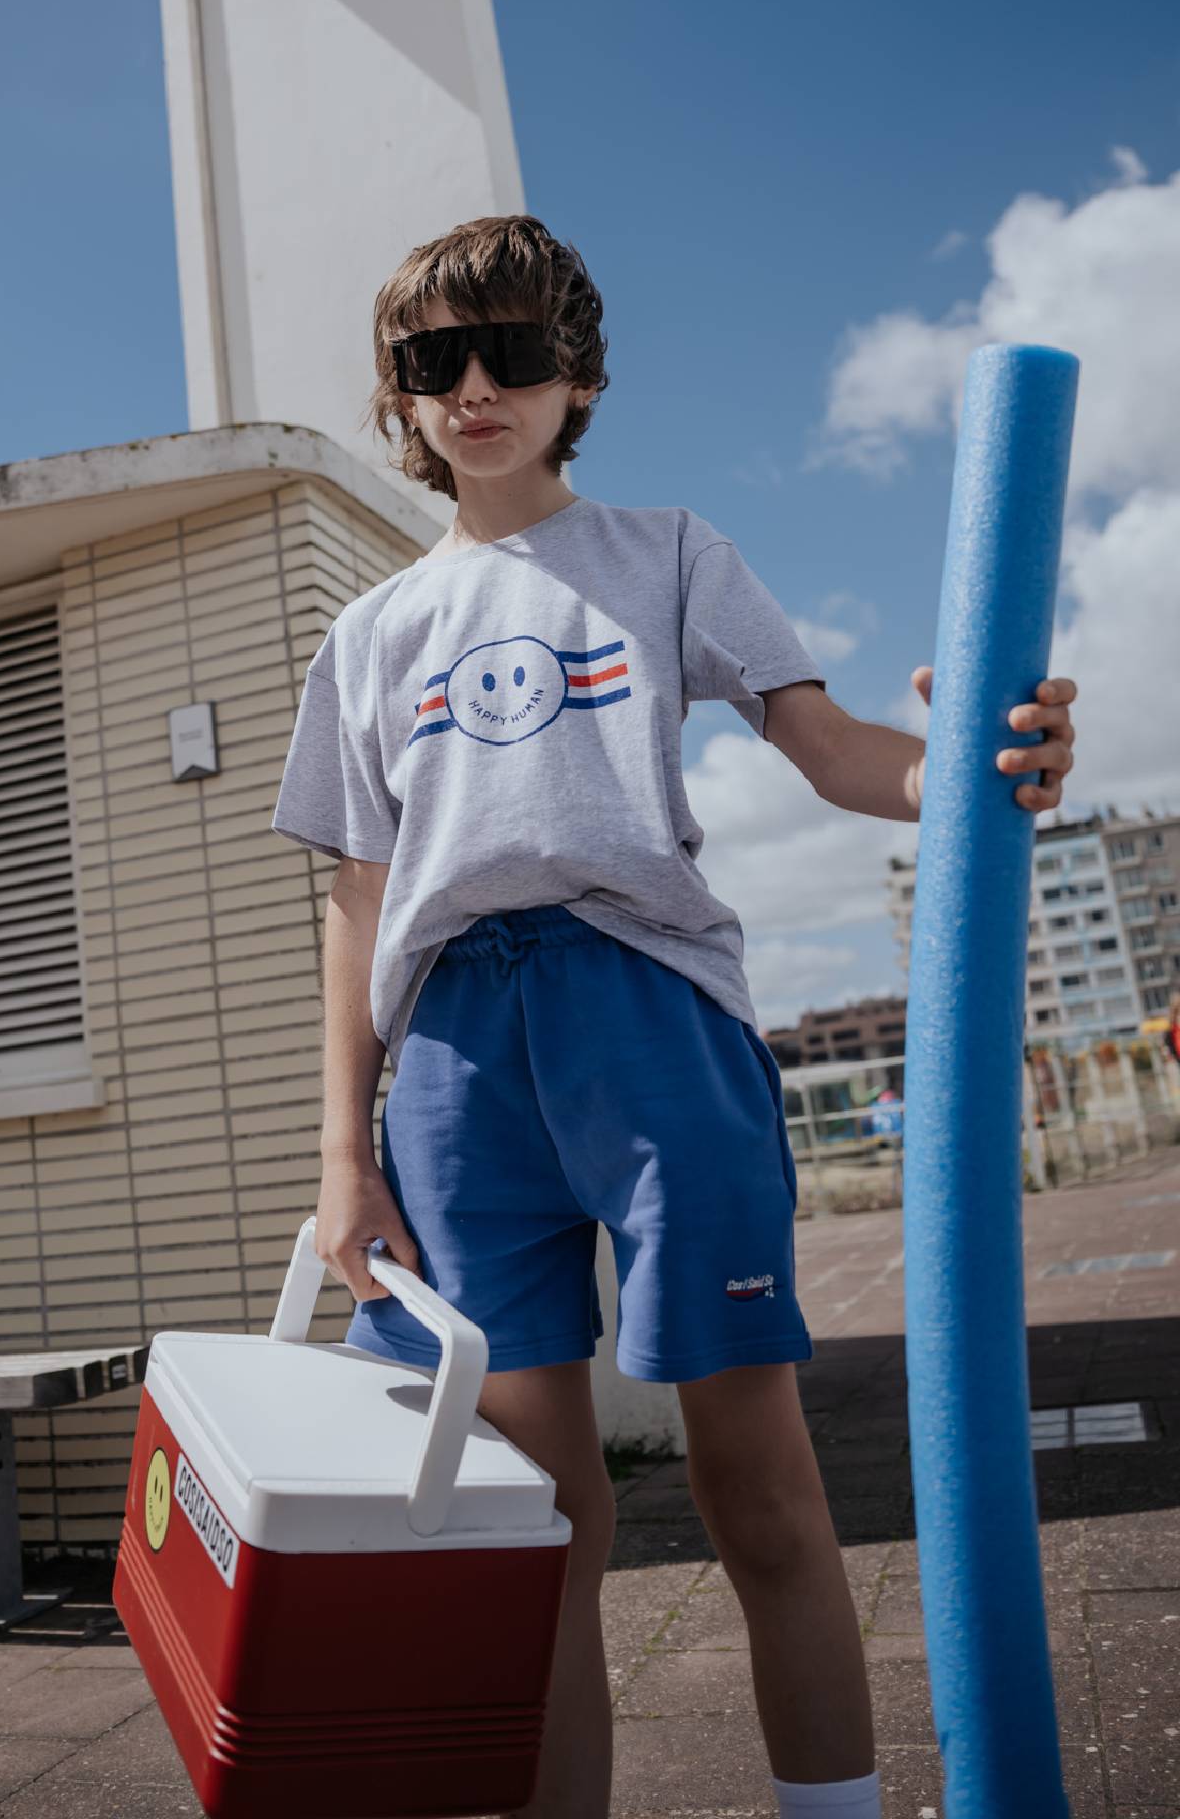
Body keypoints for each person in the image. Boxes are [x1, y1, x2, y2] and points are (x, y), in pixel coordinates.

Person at [269, 216, 1080, 1819]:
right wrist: (343, 1160)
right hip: (447, 1062)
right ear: (403, 396)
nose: (481, 384)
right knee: (534, 1518)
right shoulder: (367, 637)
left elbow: (838, 749)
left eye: (517, 351)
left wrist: (984, 770)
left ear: (578, 375)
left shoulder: (669, 553)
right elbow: (358, 911)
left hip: (647, 1016)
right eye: (440, 361)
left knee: (757, 1488)